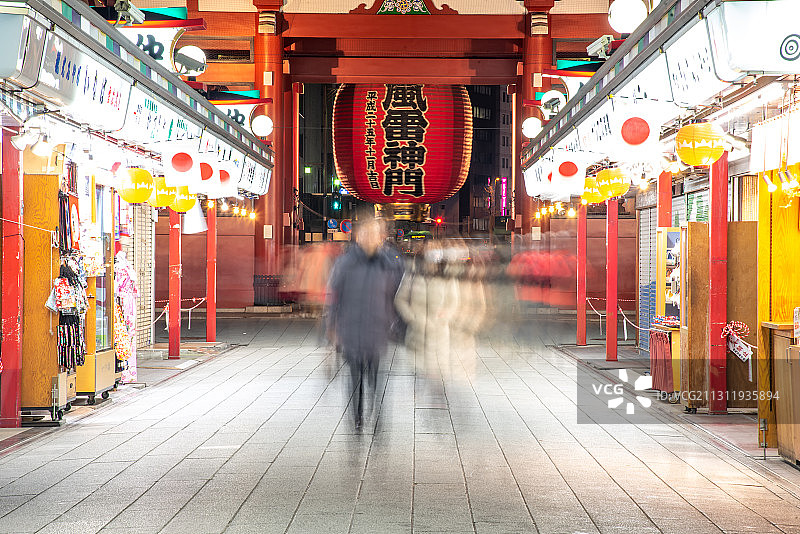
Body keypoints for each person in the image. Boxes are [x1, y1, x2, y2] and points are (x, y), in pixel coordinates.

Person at [325, 215, 403, 429]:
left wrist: (396, 323)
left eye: (375, 234)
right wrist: (331, 329)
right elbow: (334, 297)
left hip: (377, 330)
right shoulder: (345, 263)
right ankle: (357, 416)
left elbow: (396, 296)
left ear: (381, 237)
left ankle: (376, 413)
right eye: (366, 233)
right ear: (358, 236)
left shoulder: (388, 264)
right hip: (351, 331)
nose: (370, 238)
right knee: (355, 377)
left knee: (375, 378)